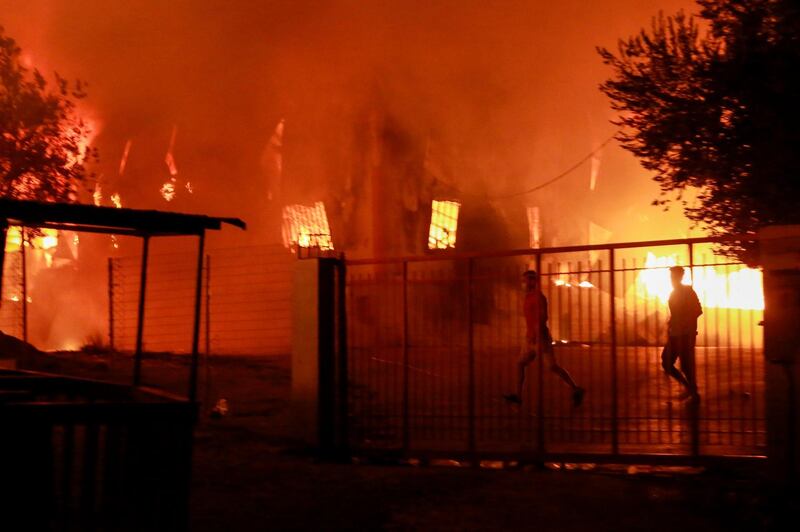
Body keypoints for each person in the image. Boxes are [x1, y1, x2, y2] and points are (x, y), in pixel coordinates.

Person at [504, 270, 585, 407]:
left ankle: (576, 389)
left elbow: (542, 317)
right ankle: (518, 395)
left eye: (526, 280)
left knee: (552, 366)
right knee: (521, 364)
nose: (523, 283)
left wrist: (537, 335)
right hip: (530, 338)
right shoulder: (528, 297)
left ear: (533, 281)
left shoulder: (538, 297)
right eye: (523, 280)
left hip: (540, 338)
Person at [661, 265, 703, 401]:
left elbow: (698, 310)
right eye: (671, 277)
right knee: (666, 362)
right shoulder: (673, 293)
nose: (672, 279)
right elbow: (675, 313)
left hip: (686, 334)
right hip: (675, 334)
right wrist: (671, 323)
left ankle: (693, 391)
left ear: (680, 277)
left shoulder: (688, 291)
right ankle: (690, 388)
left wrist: (684, 322)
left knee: (685, 365)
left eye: (674, 276)